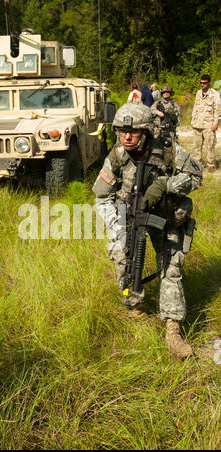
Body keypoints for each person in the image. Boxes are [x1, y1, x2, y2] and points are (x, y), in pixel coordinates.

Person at [92, 103, 203, 358]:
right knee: (124, 257)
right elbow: (101, 196)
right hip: (130, 218)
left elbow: (197, 175)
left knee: (171, 264)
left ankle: (173, 329)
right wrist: (117, 225)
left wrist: (167, 184)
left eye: (133, 131)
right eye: (122, 131)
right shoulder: (118, 155)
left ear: (146, 132)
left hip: (165, 216)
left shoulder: (166, 150)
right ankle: (135, 307)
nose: (127, 136)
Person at [191, 74, 221, 171]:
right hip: (198, 124)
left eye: (204, 83)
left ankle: (211, 165)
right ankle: (197, 165)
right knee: (196, 147)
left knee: (210, 146)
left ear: (209, 83)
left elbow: (218, 110)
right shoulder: (198, 93)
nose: (202, 85)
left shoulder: (215, 94)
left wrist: (216, 123)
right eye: (201, 83)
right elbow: (195, 107)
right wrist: (192, 120)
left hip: (209, 125)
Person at [151, 85, 181, 162]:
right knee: (156, 148)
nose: (166, 94)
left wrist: (174, 125)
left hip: (170, 130)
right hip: (158, 129)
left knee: (170, 149)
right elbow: (151, 110)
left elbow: (178, 116)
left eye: (168, 92)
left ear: (170, 93)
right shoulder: (158, 102)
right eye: (164, 92)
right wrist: (158, 112)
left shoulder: (174, 103)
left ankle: (169, 164)